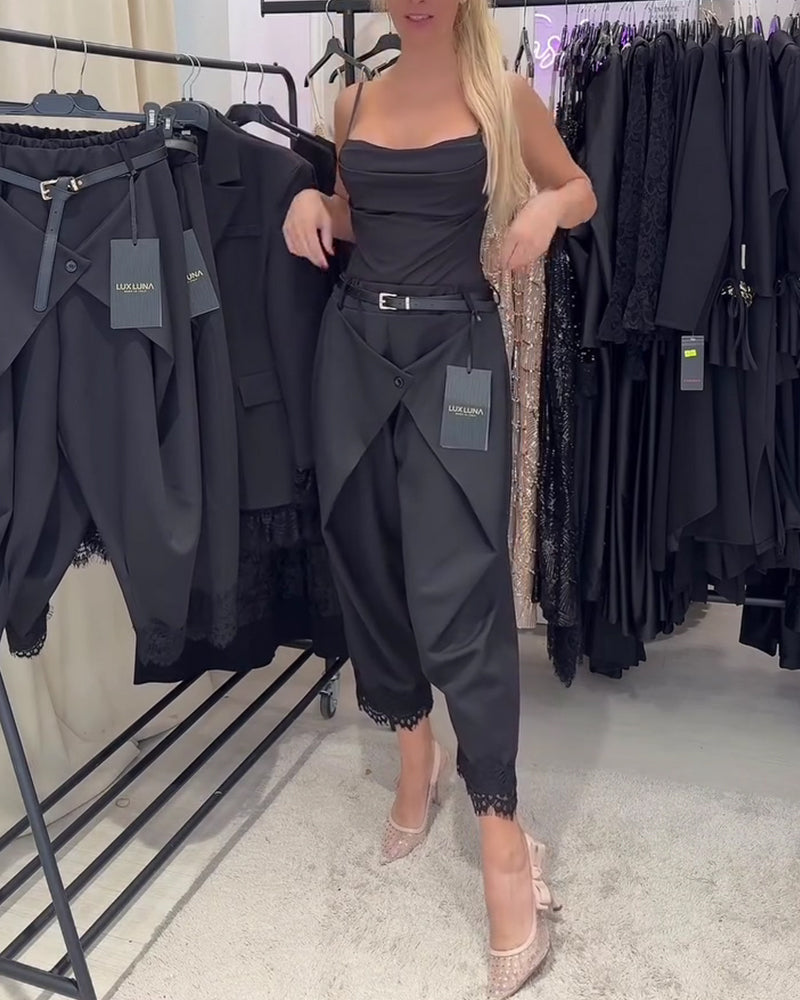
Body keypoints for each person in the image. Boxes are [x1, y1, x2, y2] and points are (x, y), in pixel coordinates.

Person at [283, 0, 595, 996]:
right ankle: (413, 759)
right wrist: (311, 204)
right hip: (353, 349)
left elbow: (580, 188)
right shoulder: (350, 103)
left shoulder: (502, 95)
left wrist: (544, 209)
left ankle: (500, 832)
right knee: (367, 557)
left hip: (456, 351)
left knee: (461, 586)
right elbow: (354, 215)